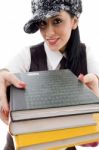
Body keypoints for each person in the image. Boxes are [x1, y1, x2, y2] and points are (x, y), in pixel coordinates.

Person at [0, 0, 99, 149]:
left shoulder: (87, 55)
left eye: (57, 21)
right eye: (42, 23)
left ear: (74, 21)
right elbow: (5, 72)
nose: (49, 33)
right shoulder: (28, 54)